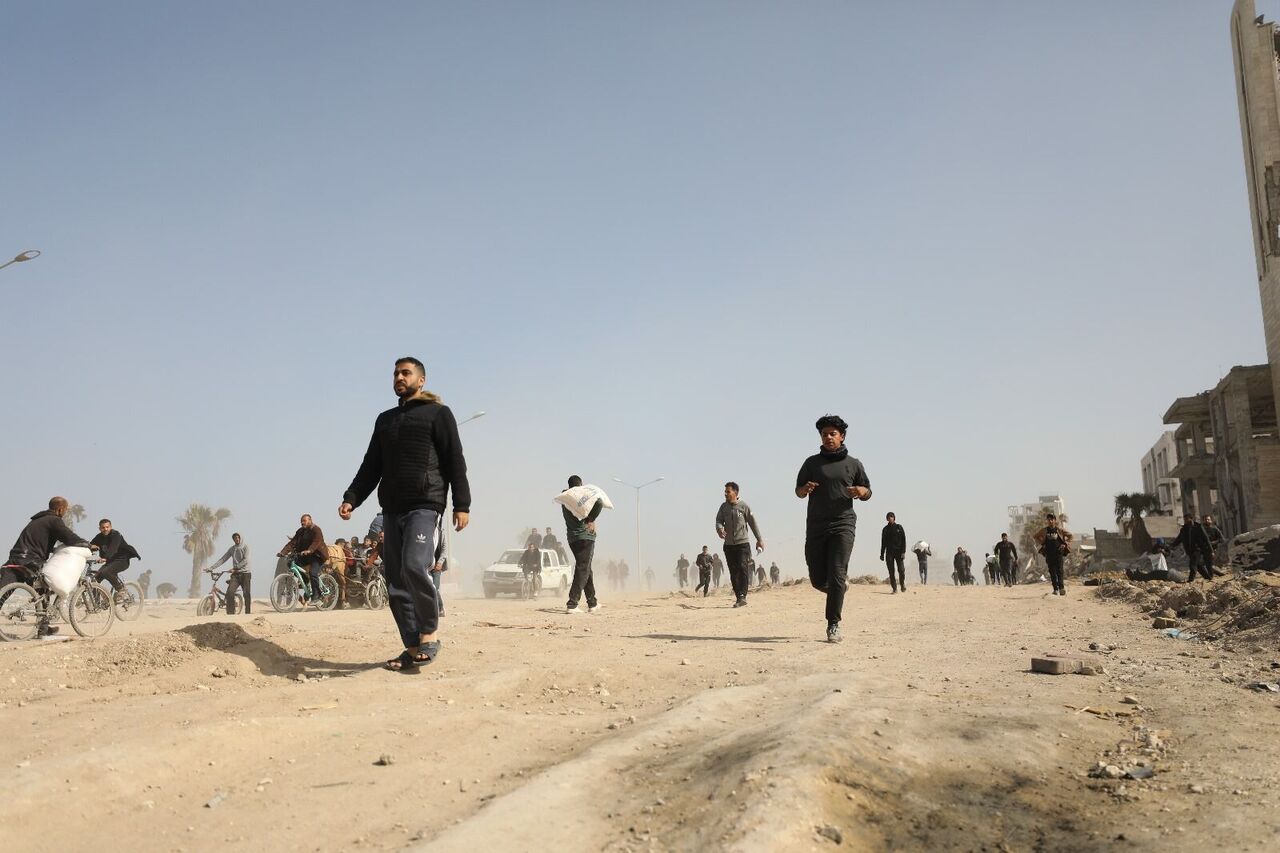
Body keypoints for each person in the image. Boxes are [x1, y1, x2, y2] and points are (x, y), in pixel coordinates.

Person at [339, 356, 471, 672]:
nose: (399, 377)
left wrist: (462, 504)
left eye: (406, 373)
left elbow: (454, 459)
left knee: (414, 565)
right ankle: (412, 647)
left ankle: (429, 634)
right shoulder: (385, 420)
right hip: (392, 508)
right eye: (396, 373)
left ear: (421, 380)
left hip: (425, 504)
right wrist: (352, 498)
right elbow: (371, 465)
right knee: (396, 581)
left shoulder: (438, 413)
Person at [795, 414, 872, 644]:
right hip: (816, 525)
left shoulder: (854, 464)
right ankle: (838, 588)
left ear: (842, 436)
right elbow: (798, 491)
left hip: (843, 524)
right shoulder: (811, 463)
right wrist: (805, 489)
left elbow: (867, 491)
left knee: (837, 572)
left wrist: (861, 491)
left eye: (833, 434)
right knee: (817, 579)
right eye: (824, 434)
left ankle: (833, 624)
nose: (828, 437)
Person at [2, 497, 90, 637]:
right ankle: (43, 629)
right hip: (31, 561)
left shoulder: (36, 520)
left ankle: (44, 628)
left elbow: (38, 541)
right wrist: (87, 544)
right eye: (65, 510)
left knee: (3, 592)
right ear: (60, 509)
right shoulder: (54, 520)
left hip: (15, 558)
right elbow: (69, 537)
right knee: (43, 592)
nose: (65, 513)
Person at [716, 482, 766, 608]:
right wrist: (720, 529)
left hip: (742, 544)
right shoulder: (723, 507)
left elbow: (753, 523)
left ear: (735, 492)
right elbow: (718, 520)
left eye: (728, 491)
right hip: (728, 545)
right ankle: (739, 597)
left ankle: (743, 595)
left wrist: (759, 539)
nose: (725, 494)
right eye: (725, 492)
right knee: (733, 572)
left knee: (742, 568)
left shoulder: (744, 506)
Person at [561, 474, 604, 614]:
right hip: (585, 537)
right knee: (583, 568)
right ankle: (572, 604)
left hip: (572, 539)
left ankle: (592, 603)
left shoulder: (565, 498)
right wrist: (591, 519)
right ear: (581, 485)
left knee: (586, 568)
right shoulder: (580, 496)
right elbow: (599, 502)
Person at [279, 515, 329, 607]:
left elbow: (316, 542)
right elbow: (292, 542)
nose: (302, 523)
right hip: (305, 555)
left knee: (313, 573)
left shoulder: (316, 529)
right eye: (301, 521)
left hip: (317, 556)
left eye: (304, 521)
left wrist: (309, 550)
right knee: (291, 564)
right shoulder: (300, 531)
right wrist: (283, 552)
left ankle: (317, 596)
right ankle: (305, 580)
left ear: (310, 520)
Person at [88, 519, 142, 599]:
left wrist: (105, 558)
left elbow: (113, 548)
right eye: (103, 527)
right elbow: (90, 545)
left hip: (122, 560)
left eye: (107, 527)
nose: (105, 529)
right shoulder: (99, 537)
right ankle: (97, 603)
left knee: (106, 572)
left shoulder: (116, 535)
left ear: (111, 527)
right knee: (95, 579)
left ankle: (121, 590)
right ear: (99, 528)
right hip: (110, 562)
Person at [208, 532, 251, 614]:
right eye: (235, 538)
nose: (237, 539)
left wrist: (235, 568)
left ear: (240, 538)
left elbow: (246, 560)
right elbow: (223, 559)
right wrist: (211, 568)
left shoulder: (246, 547)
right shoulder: (232, 549)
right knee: (230, 593)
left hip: (245, 574)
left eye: (238, 537)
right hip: (235, 575)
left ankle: (248, 613)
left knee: (246, 594)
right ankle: (230, 614)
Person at [1033, 513, 1073, 596]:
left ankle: (1061, 588)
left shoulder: (1059, 530)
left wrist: (1065, 544)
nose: (1050, 521)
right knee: (1052, 571)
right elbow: (1035, 536)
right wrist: (1042, 543)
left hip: (1058, 553)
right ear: (1047, 521)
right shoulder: (1044, 530)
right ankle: (1055, 589)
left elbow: (1070, 536)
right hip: (1049, 553)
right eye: (1048, 520)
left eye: (1052, 519)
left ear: (1055, 520)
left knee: (1060, 571)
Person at [1170, 513, 1214, 584]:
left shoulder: (1198, 527)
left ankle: (1190, 580)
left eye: (1186, 519)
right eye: (1184, 519)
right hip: (1189, 551)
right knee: (1199, 566)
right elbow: (1179, 539)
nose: (1185, 521)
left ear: (1191, 519)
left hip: (1197, 549)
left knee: (1192, 565)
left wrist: (1211, 550)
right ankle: (1208, 578)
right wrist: (1171, 546)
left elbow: (1206, 539)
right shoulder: (1184, 529)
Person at [879, 512, 907, 594]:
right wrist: (882, 554)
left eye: (891, 516)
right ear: (887, 519)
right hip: (889, 553)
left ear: (894, 518)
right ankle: (894, 588)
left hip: (899, 552)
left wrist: (903, 552)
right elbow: (883, 542)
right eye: (889, 517)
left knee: (901, 570)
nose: (890, 518)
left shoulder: (899, 527)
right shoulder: (885, 529)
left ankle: (902, 584)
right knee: (891, 572)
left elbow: (904, 540)